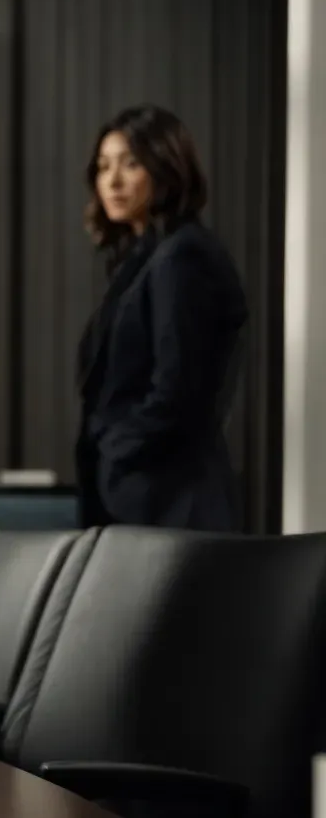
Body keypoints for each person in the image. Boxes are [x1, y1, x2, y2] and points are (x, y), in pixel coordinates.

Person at [75, 104, 248, 530]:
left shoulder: (181, 256)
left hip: (169, 500)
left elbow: (177, 390)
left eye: (130, 164)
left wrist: (119, 449)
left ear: (165, 168)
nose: (112, 181)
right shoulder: (143, 258)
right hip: (144, 496)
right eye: (103, 166)